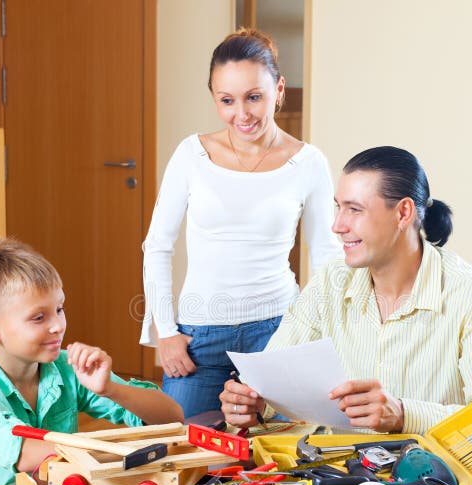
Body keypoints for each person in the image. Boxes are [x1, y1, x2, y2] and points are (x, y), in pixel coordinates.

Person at [220, 146, 472, 435]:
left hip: (435, 481)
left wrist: (404, 414)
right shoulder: (330, 283)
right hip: (336, 475)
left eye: (354, 210)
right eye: (339, 207)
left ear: (403, 213)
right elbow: (269, 383)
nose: (337, 225)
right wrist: (250, 404)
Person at [141, 29, 341, 417]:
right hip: (199, 336)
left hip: (281, 332)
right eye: (227, 101)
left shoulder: (309, 162)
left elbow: (326, 256)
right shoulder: (191, 154)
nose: (242, 114)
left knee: (281, 459)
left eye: (254, 97)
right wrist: (166, 333)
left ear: (278, 89)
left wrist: (317, 334)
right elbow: (157, 246)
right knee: (188, 455)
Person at [0, 237, 183, 485]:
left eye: (59, 309)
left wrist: (109, 389)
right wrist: (114, 453)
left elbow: (172, 417)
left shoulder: (64, 367)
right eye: (38, 318)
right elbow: (22, 453)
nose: (58, 326)